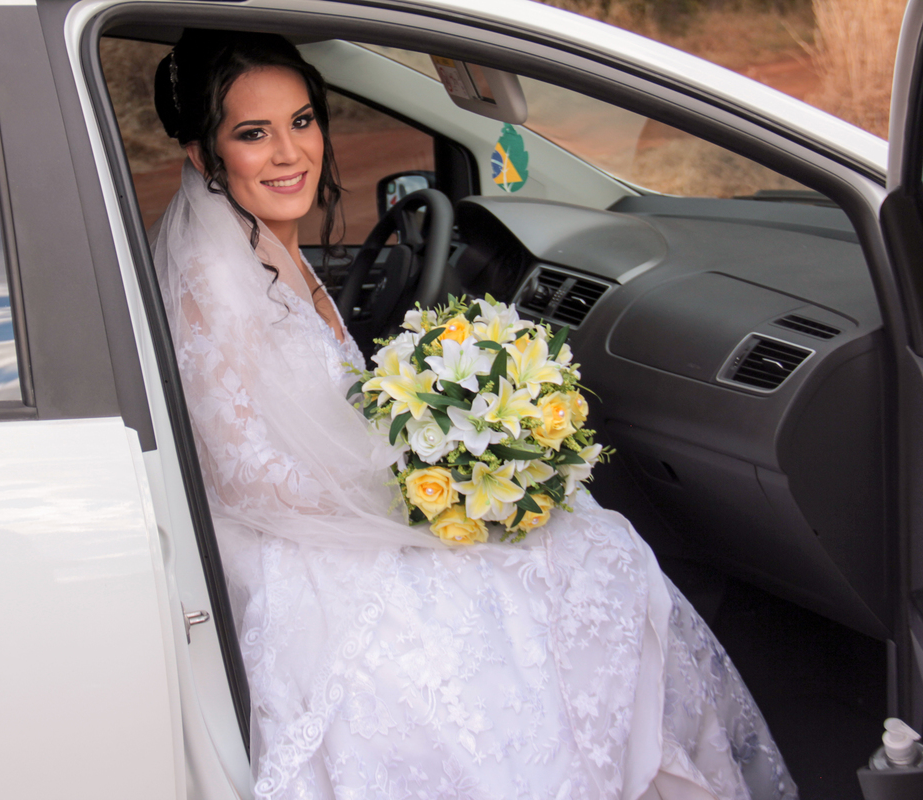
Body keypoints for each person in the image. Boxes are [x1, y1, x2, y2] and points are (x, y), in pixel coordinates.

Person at [149, 29, 797, 800]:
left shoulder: (267, 245)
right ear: (204, 155)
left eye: (302, 121)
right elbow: (248, 477)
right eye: (253, 134)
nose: (290, 153)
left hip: (341, 504)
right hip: (288, 543)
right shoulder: (209, 283)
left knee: (590, 540)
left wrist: (433, 457)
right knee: (579, 558)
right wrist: (418, 494)